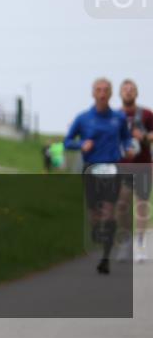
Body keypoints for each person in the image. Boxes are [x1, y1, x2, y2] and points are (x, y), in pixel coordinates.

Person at [64, 78, 130, 275]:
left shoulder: (118, 118)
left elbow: (126, 138)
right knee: (94, 215)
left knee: (109, 212)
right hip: (91, 168)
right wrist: (81, 144)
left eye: (106, 90)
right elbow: (67, 141)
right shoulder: (83, 118)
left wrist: (129, 147)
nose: (102, 93)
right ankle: (96, 233)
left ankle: (105, 258)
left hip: (112, 168)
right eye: (99, 90)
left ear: (110, 94)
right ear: (93, 93)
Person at [114, 79, 153, 263]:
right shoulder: (114, 115)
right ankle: (126, 241)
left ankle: (140, 245)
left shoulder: (146, 114)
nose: (128, 92)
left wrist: (143, 136)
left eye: (132, 89)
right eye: (125, 89)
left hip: (143, 165)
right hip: (122, 166)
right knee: (121, 205)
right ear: (120, 93)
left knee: (142, 206)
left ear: (136, 93)